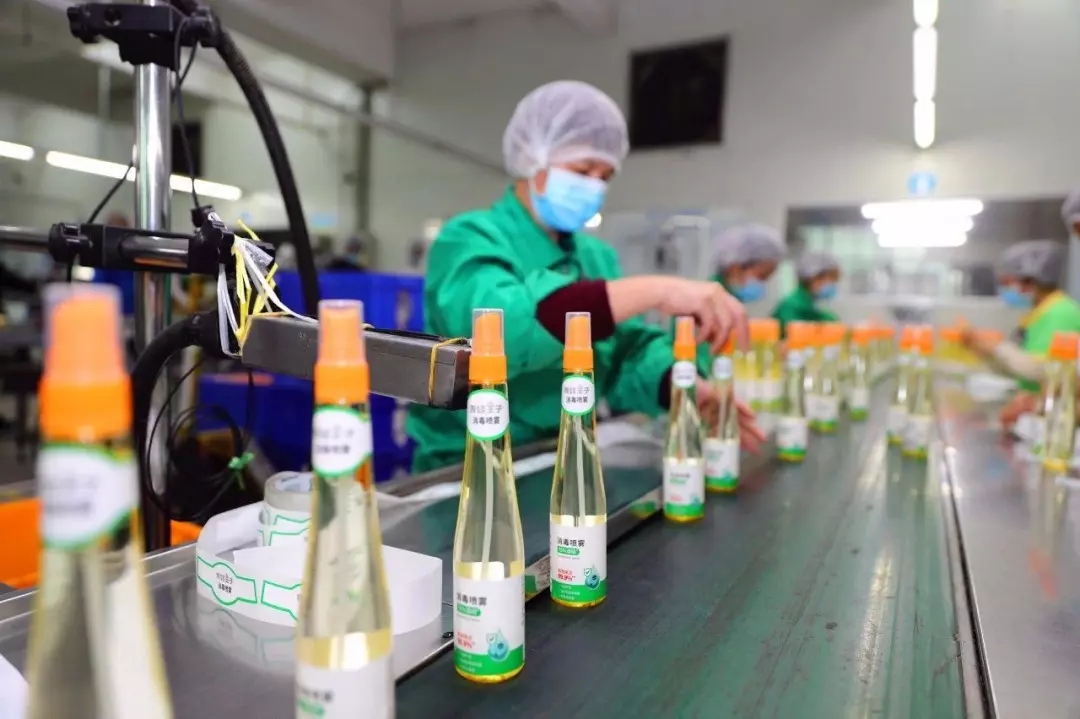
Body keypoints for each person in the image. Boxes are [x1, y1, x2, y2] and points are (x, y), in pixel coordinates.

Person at [406, 80, 763, 472]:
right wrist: (657, 290)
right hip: (466, 465)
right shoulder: (469, 237)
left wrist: (680, 387)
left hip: (564, 454)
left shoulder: (596, 257)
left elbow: (623, 357)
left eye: (605, 176)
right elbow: (503, 328)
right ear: (532, 161)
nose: (594, 186)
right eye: (581, 170)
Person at [693, 224, 785, 375]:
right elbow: (705, 363)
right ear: (735, 267)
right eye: (761, 276)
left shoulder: (729, 300)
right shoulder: (708, 302)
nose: (762, 285)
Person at [771, 251, 841, 335]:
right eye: (831, 280)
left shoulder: (811, 306)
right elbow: (796, 334)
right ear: (814, 277)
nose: (832, 285)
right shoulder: (791, 306)